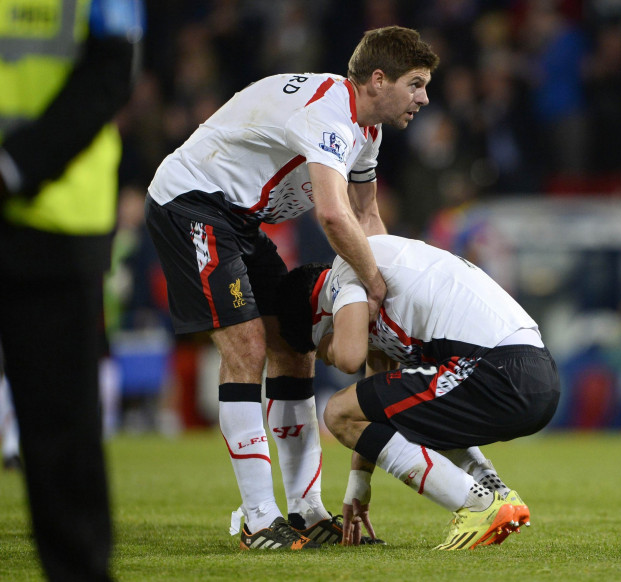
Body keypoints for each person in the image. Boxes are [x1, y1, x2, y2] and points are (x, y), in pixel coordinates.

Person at [144, 26, 440, 550]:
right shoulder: (328, 113)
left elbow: (368, 215)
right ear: (378, 79)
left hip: (240, 219)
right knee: (247, 347)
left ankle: (305, 510)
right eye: (415, 84)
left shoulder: (365, 130)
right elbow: (332, 213)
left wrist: (393, 288)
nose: (424, 97)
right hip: (191, 203)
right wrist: (371, 283)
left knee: (294, 347)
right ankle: (259, 517)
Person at [274, 234, 560, 550]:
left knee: (334, 411)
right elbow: (375, 403)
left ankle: (476, 504)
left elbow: (348, 357)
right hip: (532, 372)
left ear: (317, 316)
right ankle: (496, 493)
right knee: (400, 407)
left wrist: (338, 330)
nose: (323, 358)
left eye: (317, 349)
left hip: (495, 368)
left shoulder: (345, 271)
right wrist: (359, 485)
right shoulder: (374, 284)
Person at [0, 0, 144, 579]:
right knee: (63, 435)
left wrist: (14, 167)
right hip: (54, 218)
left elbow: (112, 71)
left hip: (52, 220)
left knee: (62, 440)